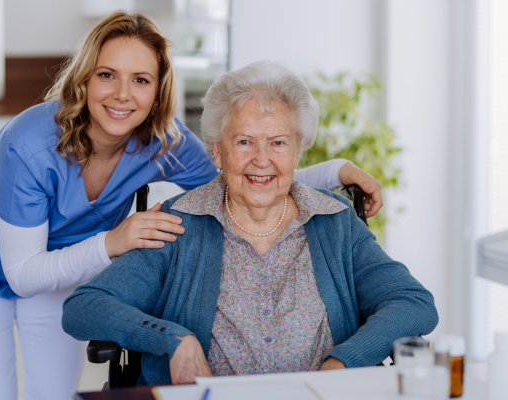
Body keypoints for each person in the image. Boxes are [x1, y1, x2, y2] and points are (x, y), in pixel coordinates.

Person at [0, 12, 382, 400]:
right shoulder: (29, 143)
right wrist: (114, 242)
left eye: (140, 79)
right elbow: (23, 274)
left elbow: (247, 176)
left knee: (53, 396)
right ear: (84, 78)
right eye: (107, 75)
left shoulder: (162, 140)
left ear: (158, 90)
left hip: (60, 266)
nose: (122, 95)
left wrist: (335, 171)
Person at [62, 60, 439, 386]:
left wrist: (345, 362)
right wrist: (174, 340)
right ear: (218, 151)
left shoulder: (335, 222)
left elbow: (414, 303)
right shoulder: (179, 224)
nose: (262, 159)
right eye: (243, 142)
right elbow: (85, 307)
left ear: (297, 150)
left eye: (277, 143)